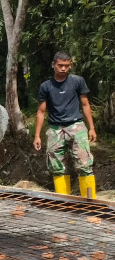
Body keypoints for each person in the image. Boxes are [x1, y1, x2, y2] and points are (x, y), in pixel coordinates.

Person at [33, 51, 97, 198]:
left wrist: (92, 128)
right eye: (60, 65)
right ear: (53, 65)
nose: (63, 69)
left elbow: (85, 104)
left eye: (67, 66)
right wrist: (37, 135)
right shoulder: (46, 86)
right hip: (55, 129)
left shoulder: (77, 81)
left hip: (76, 126)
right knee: (56, 167)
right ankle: (64, 202)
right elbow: (41, 111)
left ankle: (90, 202)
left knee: (85, 164)